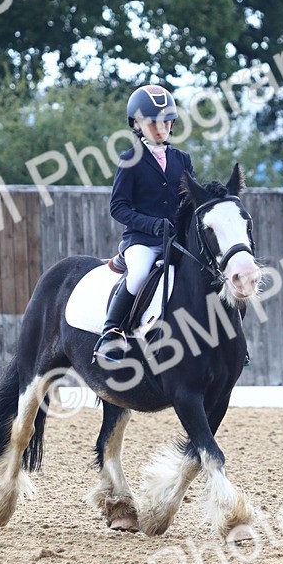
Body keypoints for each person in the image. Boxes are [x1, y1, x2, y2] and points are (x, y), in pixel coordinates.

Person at [92, 84, 194, 363]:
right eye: (153, 123)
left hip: (177, 240)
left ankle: (228, 337)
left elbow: (190, 200)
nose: (161, 128)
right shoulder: (130, 160)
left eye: (166, 122)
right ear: (137, 124)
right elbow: (118, 207)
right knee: (138, 275)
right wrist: (152, 225)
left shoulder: (182, 159)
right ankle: (111, 332)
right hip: (143, 241)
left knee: (208, 271)